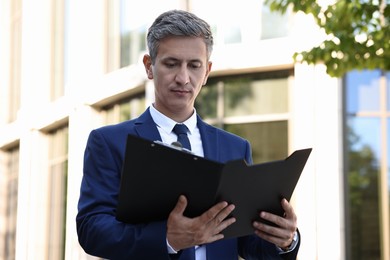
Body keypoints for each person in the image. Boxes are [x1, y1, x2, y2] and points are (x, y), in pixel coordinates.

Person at [76, 9, 300, 260]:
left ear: (207, 72)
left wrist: (286, 240)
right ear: (149, 67)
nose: (183, 78)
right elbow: (91, 230)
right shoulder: (109, 142)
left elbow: (248, 244)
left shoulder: (235, 148)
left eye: (194, 66)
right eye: (171, 64)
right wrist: (168, 239)